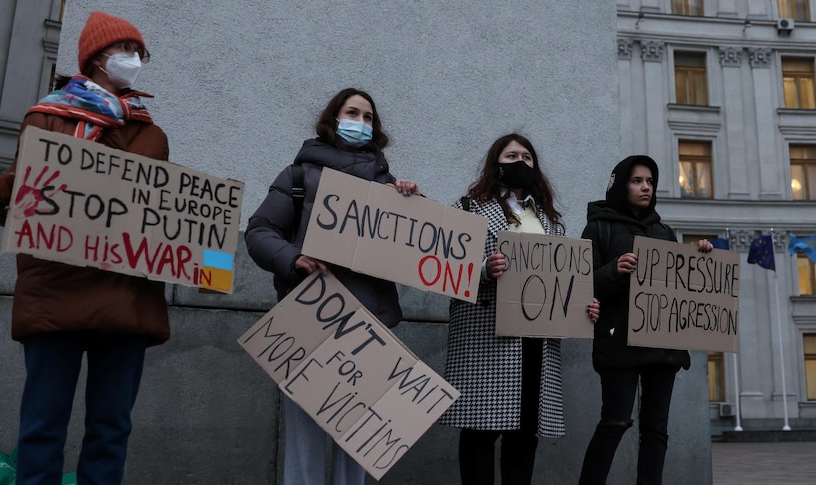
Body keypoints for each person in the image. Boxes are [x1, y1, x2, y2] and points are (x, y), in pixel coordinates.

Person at [0, 11, 169, 485]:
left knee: (110, 431)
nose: (135, 61)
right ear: (96, 58)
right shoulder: (46, 118)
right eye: (126, 51)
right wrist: (10, 189)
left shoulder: (151, 134)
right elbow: (35, 198)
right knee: (43, 428)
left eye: (139, 53)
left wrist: (206, 262)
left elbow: (156, 211)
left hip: (125, 297)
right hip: (56, 292)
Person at [245, 88, 420, 485]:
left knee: (357, 446)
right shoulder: (298, 176)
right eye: (352, 112)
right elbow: (259, 232)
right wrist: (293, 259)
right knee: (303, 445)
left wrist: (411, 203)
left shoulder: (389, 188)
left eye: (368, 117)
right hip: (310, 322)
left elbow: (416, 249)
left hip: (367, 331)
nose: (360, 121)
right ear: (333, 119)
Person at [438, 134, 600, 485]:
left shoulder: (551, 222)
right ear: (496, 164)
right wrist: (483, 269)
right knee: (480, 430)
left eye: (527, 157)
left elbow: (563, 281)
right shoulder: (467, 209)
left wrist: (582, 304)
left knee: (525, 433)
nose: (520, 162)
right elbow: (446, 267)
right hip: (486, 336)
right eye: (511, 155)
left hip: (537, 343)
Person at [577, 155, 713, 485]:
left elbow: (678, 287)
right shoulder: (598, 228)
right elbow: (580, 287)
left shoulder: (663, 232)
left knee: (656, 430)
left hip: (662, 348)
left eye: (650, 181)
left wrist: (699, 256)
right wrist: (614, 270)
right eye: (637, 180)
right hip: (617, 344)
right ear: (620, 184)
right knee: (615, 421)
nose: (645, 187)